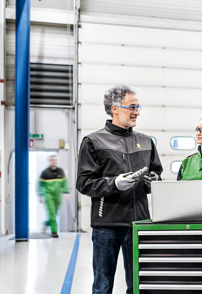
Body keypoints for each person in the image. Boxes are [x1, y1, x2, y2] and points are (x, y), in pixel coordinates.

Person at [76, 85, 163, 294]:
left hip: (140, 223)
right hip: (107, 225)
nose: (137, 111)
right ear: (114, 108)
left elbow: (157, 174)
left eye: (138, 106)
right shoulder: (93, 141)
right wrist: (113, 184)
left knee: (138, 285)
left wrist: (154, 181)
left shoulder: (146, 141)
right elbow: (84, 183)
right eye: (131, 107)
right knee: (102, 285)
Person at [37, 155, 69, 238]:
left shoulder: (60, 171)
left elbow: (64, 183)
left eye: (55, 160)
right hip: (48, 194)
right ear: (49, 161)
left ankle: (47, 223)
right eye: (52, 160)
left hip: (58, 195)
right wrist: (40, 195)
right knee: (52, 212)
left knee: (55, 213)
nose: (54, 161)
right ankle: (54, 232)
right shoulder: (45, 172)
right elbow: (40, 185)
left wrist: (66, 192)